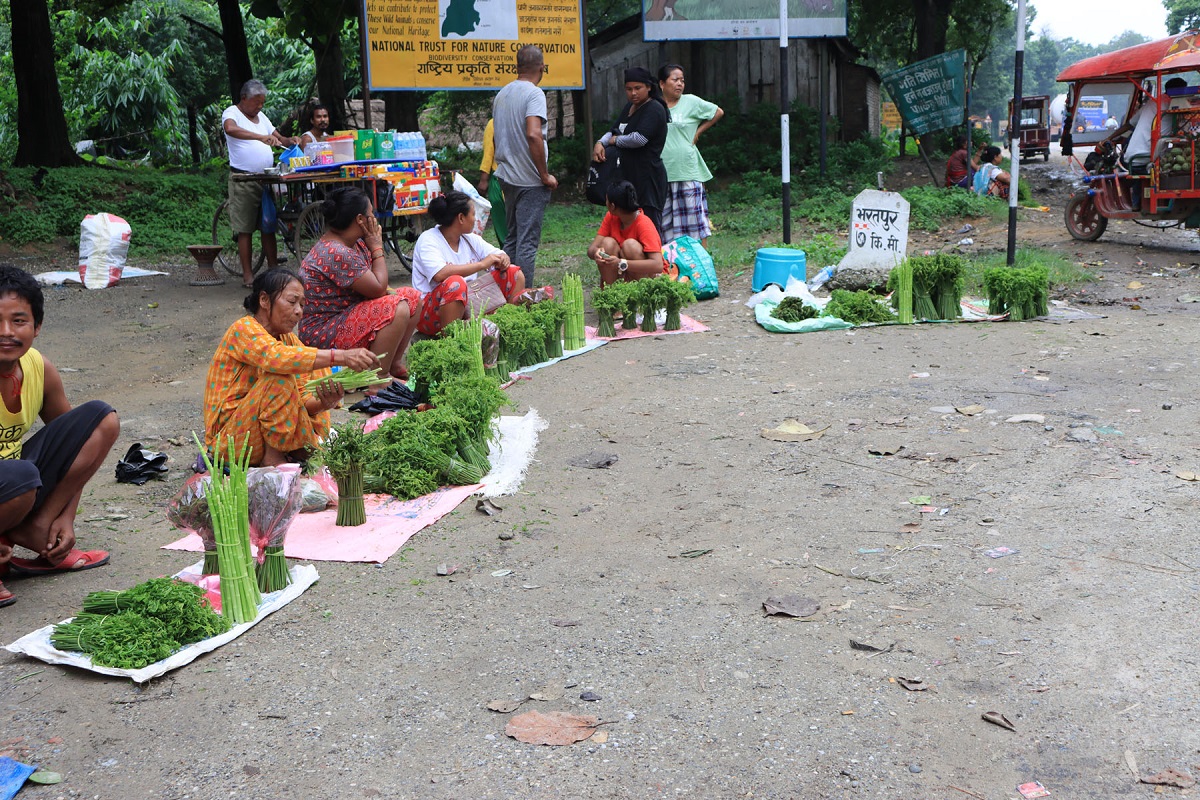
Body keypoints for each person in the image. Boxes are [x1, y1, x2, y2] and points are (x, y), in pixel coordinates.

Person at [0, 265, 119, 609]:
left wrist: (65, 516)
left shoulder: (39, 368)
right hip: (13, 486)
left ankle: (39, 527)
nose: (6, 332)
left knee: (101, 419)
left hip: (15, 488)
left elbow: (76, 446)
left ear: (36, 328)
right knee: (22, 477)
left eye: (19, 321)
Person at [205, 269, 378, 468]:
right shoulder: (243, 329)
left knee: (314, 376)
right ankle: (273, 459)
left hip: (259, 436)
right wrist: (340, 356)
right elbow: (275, 358)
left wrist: (323, 403)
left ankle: (289, 451)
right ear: (264, 300)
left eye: (302, 304)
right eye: (291, 301)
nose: (299, 311)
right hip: (232, 442)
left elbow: (303, 397)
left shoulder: (289, 340)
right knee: (280, 378)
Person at [298, 187, 421, 380]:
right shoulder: (336, 252)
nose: (374, 218)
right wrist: (377, 246)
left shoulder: (353, 242)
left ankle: (394, 364)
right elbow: (378, 289)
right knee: (398, 308)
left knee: (412, 297)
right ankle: (378, 379)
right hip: (323, 334)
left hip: (344, 317)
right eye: (371, 214)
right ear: (360, 220)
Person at [411, 191, 528, 337]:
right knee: (456, 283)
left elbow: (497, 254)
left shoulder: (469, 238)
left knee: (514, 273)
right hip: (431, 313)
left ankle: (507, 331)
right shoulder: (428, 240)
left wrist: (503, 259)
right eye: (473, 214)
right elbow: (440, 274)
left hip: (469, 301)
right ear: (461, 218)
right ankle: (452, 341)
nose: (475, 218)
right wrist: (482, 264)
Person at [492, 45, 557, 286]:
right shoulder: (534, 94)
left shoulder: (502, 94)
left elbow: (495, 137)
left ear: (516, 67)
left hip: (507, 176)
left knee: (512, 238)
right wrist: (544, 175)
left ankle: (504, 292)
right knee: (527, 243)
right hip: (530, 180)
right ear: (542, 67)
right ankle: (522, 298)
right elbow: (533, 134)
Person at [222, 79, 297, 288]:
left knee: (268, 225)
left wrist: (290, 140)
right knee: (244, 229)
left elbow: (278, 137)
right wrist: (259, 137)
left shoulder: (262, 117)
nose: (260, 106)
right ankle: (248, 275)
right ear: (244, 98)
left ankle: (273, 270)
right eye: (256, 102)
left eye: (262, 102)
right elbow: (230, 129)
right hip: (244, 179)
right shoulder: (232, 113)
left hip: (265, 179)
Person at [593, 67, 670, 237]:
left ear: (649, 87)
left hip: (648, 177)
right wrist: (600, 142)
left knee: (649, 223)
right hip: (629, 175)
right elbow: (614, 129)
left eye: (638, 88)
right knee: (628, 221)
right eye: (629, 89)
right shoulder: (630, 107)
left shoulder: (655, 108)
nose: (633, 93)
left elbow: (639, 139)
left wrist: (615, 141)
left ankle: (655, 261)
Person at [657, 64, 723, 246]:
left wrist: (698, 132)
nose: (679, 84)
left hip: (687, 169)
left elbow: (717, 112)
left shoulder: (691, 102)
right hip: (662, 170)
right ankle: (671, 265)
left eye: (682, 80)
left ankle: (701, 263)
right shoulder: (655, 105)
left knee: (695, 222)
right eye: (675, 80)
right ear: (662, 83)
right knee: (665, 223)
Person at [587, 181, 665, 287]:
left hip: (643, 278)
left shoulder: (644, 224)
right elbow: (591, 249)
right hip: (619, 274)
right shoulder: (611, 217)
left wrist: (622, 263)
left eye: (606, 200)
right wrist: (596, 252)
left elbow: (658, 265)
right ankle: (612, 293)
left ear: (613, 206)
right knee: (607, 243)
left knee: (630, 245)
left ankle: (640, 294)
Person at [477, 118, 508, 246]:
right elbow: (489, 152)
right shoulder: (495, 123)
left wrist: (484, 180)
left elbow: (488, 153)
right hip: (508, 177)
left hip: (502, 179)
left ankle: (509, 255)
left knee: (503, 224)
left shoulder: (495, 123)